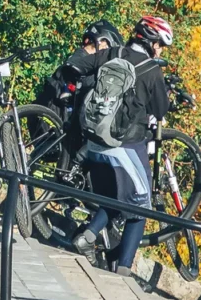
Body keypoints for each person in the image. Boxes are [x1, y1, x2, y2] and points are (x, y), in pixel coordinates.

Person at [70, 16, 173, 276]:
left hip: (93, 141)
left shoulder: (111, 53)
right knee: (141, 206)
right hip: (124, 146)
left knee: (118, 198)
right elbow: (161, 110)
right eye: (160, 44)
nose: (160, 50)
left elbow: (75, 64)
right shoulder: (152, 69)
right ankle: (124, 272)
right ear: (151, 41)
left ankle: (89, 235)